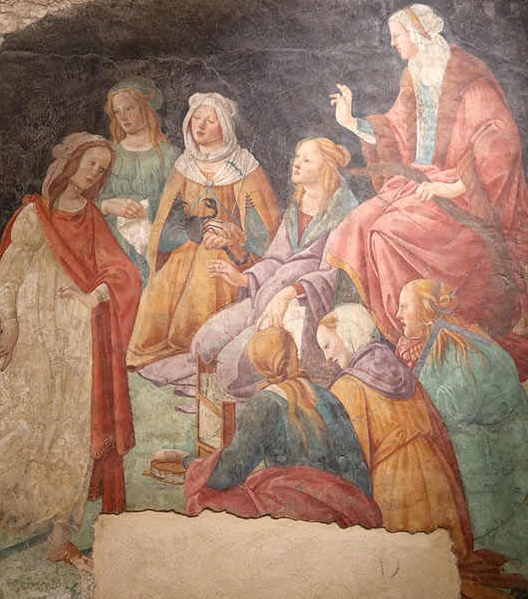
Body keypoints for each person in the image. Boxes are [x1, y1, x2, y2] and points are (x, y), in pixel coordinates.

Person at [0, 133, 141, 572]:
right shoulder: (33, 215)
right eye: (90, 163)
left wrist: (93, 296)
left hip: (77, 345)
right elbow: (6, 276)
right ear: (70, 163)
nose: (95, 173)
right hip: (31, 341)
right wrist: (10, 326)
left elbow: (124, 273)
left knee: (71, 437)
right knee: (13, 430)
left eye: (102, 168)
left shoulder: (92, 219)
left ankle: (59, 540)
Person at [327, 4, 528, 377]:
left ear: (420, 33)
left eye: (398, 35)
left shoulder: (467, 78)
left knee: (385, 235)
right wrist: (352, 122)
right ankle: (389, 336)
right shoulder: (414, 74)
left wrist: (454, 185)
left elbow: (500, 139)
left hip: (463, 193)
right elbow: (396, 130)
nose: (392, 42)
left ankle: (415, 338)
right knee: (355, 226)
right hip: (416, 180)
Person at [317, 304, 527, 599]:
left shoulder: (347, 386)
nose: (327, 357)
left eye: (327, 345)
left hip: (397, 487)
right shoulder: (397, 369)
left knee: (408, 580)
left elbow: (351, 460)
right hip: (435, 475)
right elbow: (436, 427)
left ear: (346, 335)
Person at [191, 137, 359, 399]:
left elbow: (330, 277)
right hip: (266, 298)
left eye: (307, 160)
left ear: (326, 168)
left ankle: (266, 396)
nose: (297, 163)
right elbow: (277, 258)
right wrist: (243, 280)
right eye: (298, 156)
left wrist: (286, 295)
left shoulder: (345, 213)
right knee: (203, 344)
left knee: (228, 371)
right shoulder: (299, 203)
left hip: (303, 310)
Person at [126, 92, 282, 375]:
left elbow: (266, 234)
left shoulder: (245, 167)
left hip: (232, 255)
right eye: (196, 118)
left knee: (208, 268)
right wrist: (191, 230)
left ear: (225, 126)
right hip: (185, 250)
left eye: (210, 120)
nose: (200, 126)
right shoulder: (184, 167)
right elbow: (166, 226)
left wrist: (235, 236)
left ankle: (200, 355)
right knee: (162, 286)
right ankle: (168, 352)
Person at [183, 328, 380, 529]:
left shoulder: (264, 404)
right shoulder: (329, 397)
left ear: (259, 366)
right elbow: (359, 471)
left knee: (207, 496)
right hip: (351, 509)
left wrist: (189, 462)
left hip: (300, 512)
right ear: (295, 355)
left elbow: (229, 473)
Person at [396, 279, 528, 539]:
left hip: (493, 453)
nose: (398, 314)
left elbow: (450, 412)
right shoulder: (440, 340)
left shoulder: (463, 348)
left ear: (426, 310)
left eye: (405, 306)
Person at [97, 78, 180, 285]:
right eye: (117, 112)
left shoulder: (169, 155)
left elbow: (179, 205)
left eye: (129, 109)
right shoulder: (108, 153)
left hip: (155, 239)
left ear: (146, 108)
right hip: (110, 241)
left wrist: (146, 207)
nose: (123, 117)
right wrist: (110, 205)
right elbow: (87, 203)